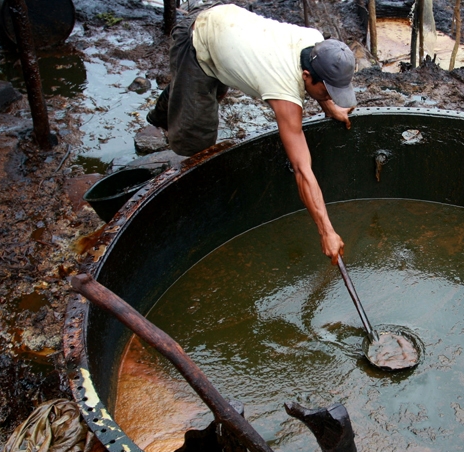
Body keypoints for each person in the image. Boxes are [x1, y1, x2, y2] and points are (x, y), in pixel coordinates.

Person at [147, 4, 356, 264]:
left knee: (208, 92)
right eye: (327, 92)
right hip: (196, 38)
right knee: (196, 140)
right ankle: (169, 109)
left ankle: (179, 95)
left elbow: (318, 85)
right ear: (306, 75)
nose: (329, 96)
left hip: (228, 28)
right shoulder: (283, 92)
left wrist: (329, 106)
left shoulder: (316, 44)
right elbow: (302, 170)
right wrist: (326, 232)